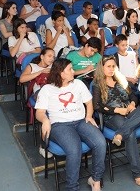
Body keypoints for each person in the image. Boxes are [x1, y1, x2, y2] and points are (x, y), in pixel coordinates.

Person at [35, 58, 106, 191]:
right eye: (70, 69)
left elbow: (89, 102)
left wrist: (89, 116)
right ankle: (72, 188)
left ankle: (95, 180)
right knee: (74, 149)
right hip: (60, 125)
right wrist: (45, 120)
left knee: (100, 142)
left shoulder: (78, 84)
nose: (74, 71)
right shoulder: (47, 89)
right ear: (61, 73)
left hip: (80, 122)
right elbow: (39, 112)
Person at [92, 55, 140, 186]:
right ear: (102, 68)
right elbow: (97, 106)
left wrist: (132, 104)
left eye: (113, 66)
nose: (111, 69)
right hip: (113, 116)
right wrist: (118, 110)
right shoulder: (97, 84)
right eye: (108, 66)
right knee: (130, 134)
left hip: (130, 113)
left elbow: (134, 96)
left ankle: (120, 133)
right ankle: (138, 174)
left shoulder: (121, 80)